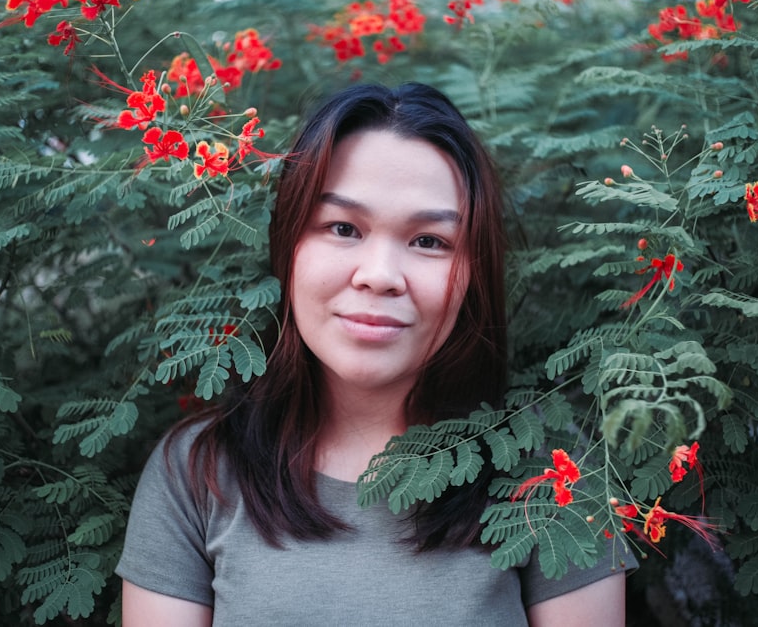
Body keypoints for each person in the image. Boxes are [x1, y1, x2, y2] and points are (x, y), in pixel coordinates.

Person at [116, 82, 628, 625]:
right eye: (343, 228)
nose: (380, 276)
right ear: (288, 246)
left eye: (429, 240)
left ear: (472, 273)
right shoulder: (198, 472)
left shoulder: (550, 470)